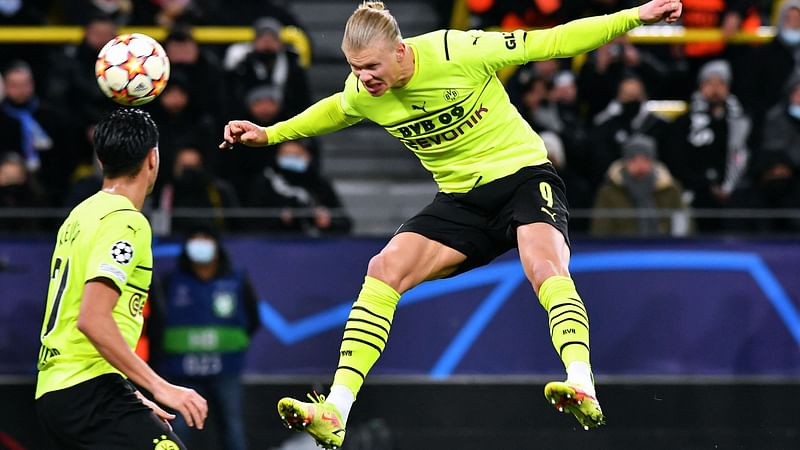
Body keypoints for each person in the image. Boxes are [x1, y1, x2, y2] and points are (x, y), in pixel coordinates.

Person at [220, 1, 683, 448]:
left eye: (372, 67)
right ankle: (336, 411)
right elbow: (336, 109)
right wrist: (270, 134)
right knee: (384, 269)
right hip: (462, 201)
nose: (364, 79)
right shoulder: (365, 91)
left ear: (400, 50)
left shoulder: (458, 50)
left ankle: (581, 382)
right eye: (355, 68)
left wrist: (635, 16)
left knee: (543, 268)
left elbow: (555, 41)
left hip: (522, 178)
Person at [35, 108, 208, 449]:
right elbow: (92, 319)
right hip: (88, 390)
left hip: (59, 388)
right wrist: (159, 386)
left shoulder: (80, 214)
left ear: (100, 159)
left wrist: (130, 394)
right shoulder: (125, 222)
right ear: (152, 158)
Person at [150, 225, 260, 450]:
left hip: (225, 369)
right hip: (182, 373)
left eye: (206, 238)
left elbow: (253, 319)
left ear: (217, 244)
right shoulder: (170, 281)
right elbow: (157, 326)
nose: (200, 243)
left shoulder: (236, 279)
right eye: (194, 238)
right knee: (176, 430)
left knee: (232, 427)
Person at [590, 134, 688, 236]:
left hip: (664, 248)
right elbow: (601, 230)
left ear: (652, 161)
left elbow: (682, 225)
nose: (639, 165)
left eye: (645, 159)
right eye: (633, 159)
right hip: (621, 248)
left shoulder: (670, 189)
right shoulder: (609, 191)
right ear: (625, 161)